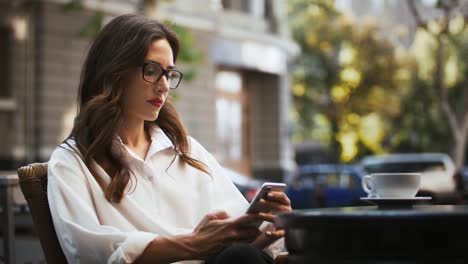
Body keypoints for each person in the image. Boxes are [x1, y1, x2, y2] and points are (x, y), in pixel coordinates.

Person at [47, 14, 291, 264]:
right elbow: (87, 253)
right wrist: (196, 244)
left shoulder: (186, 150)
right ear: (113, 72)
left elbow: (236, 243)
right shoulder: (71, 162)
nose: (164, 85)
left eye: (169, 73)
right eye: (151, 71)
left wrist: (270, 228)